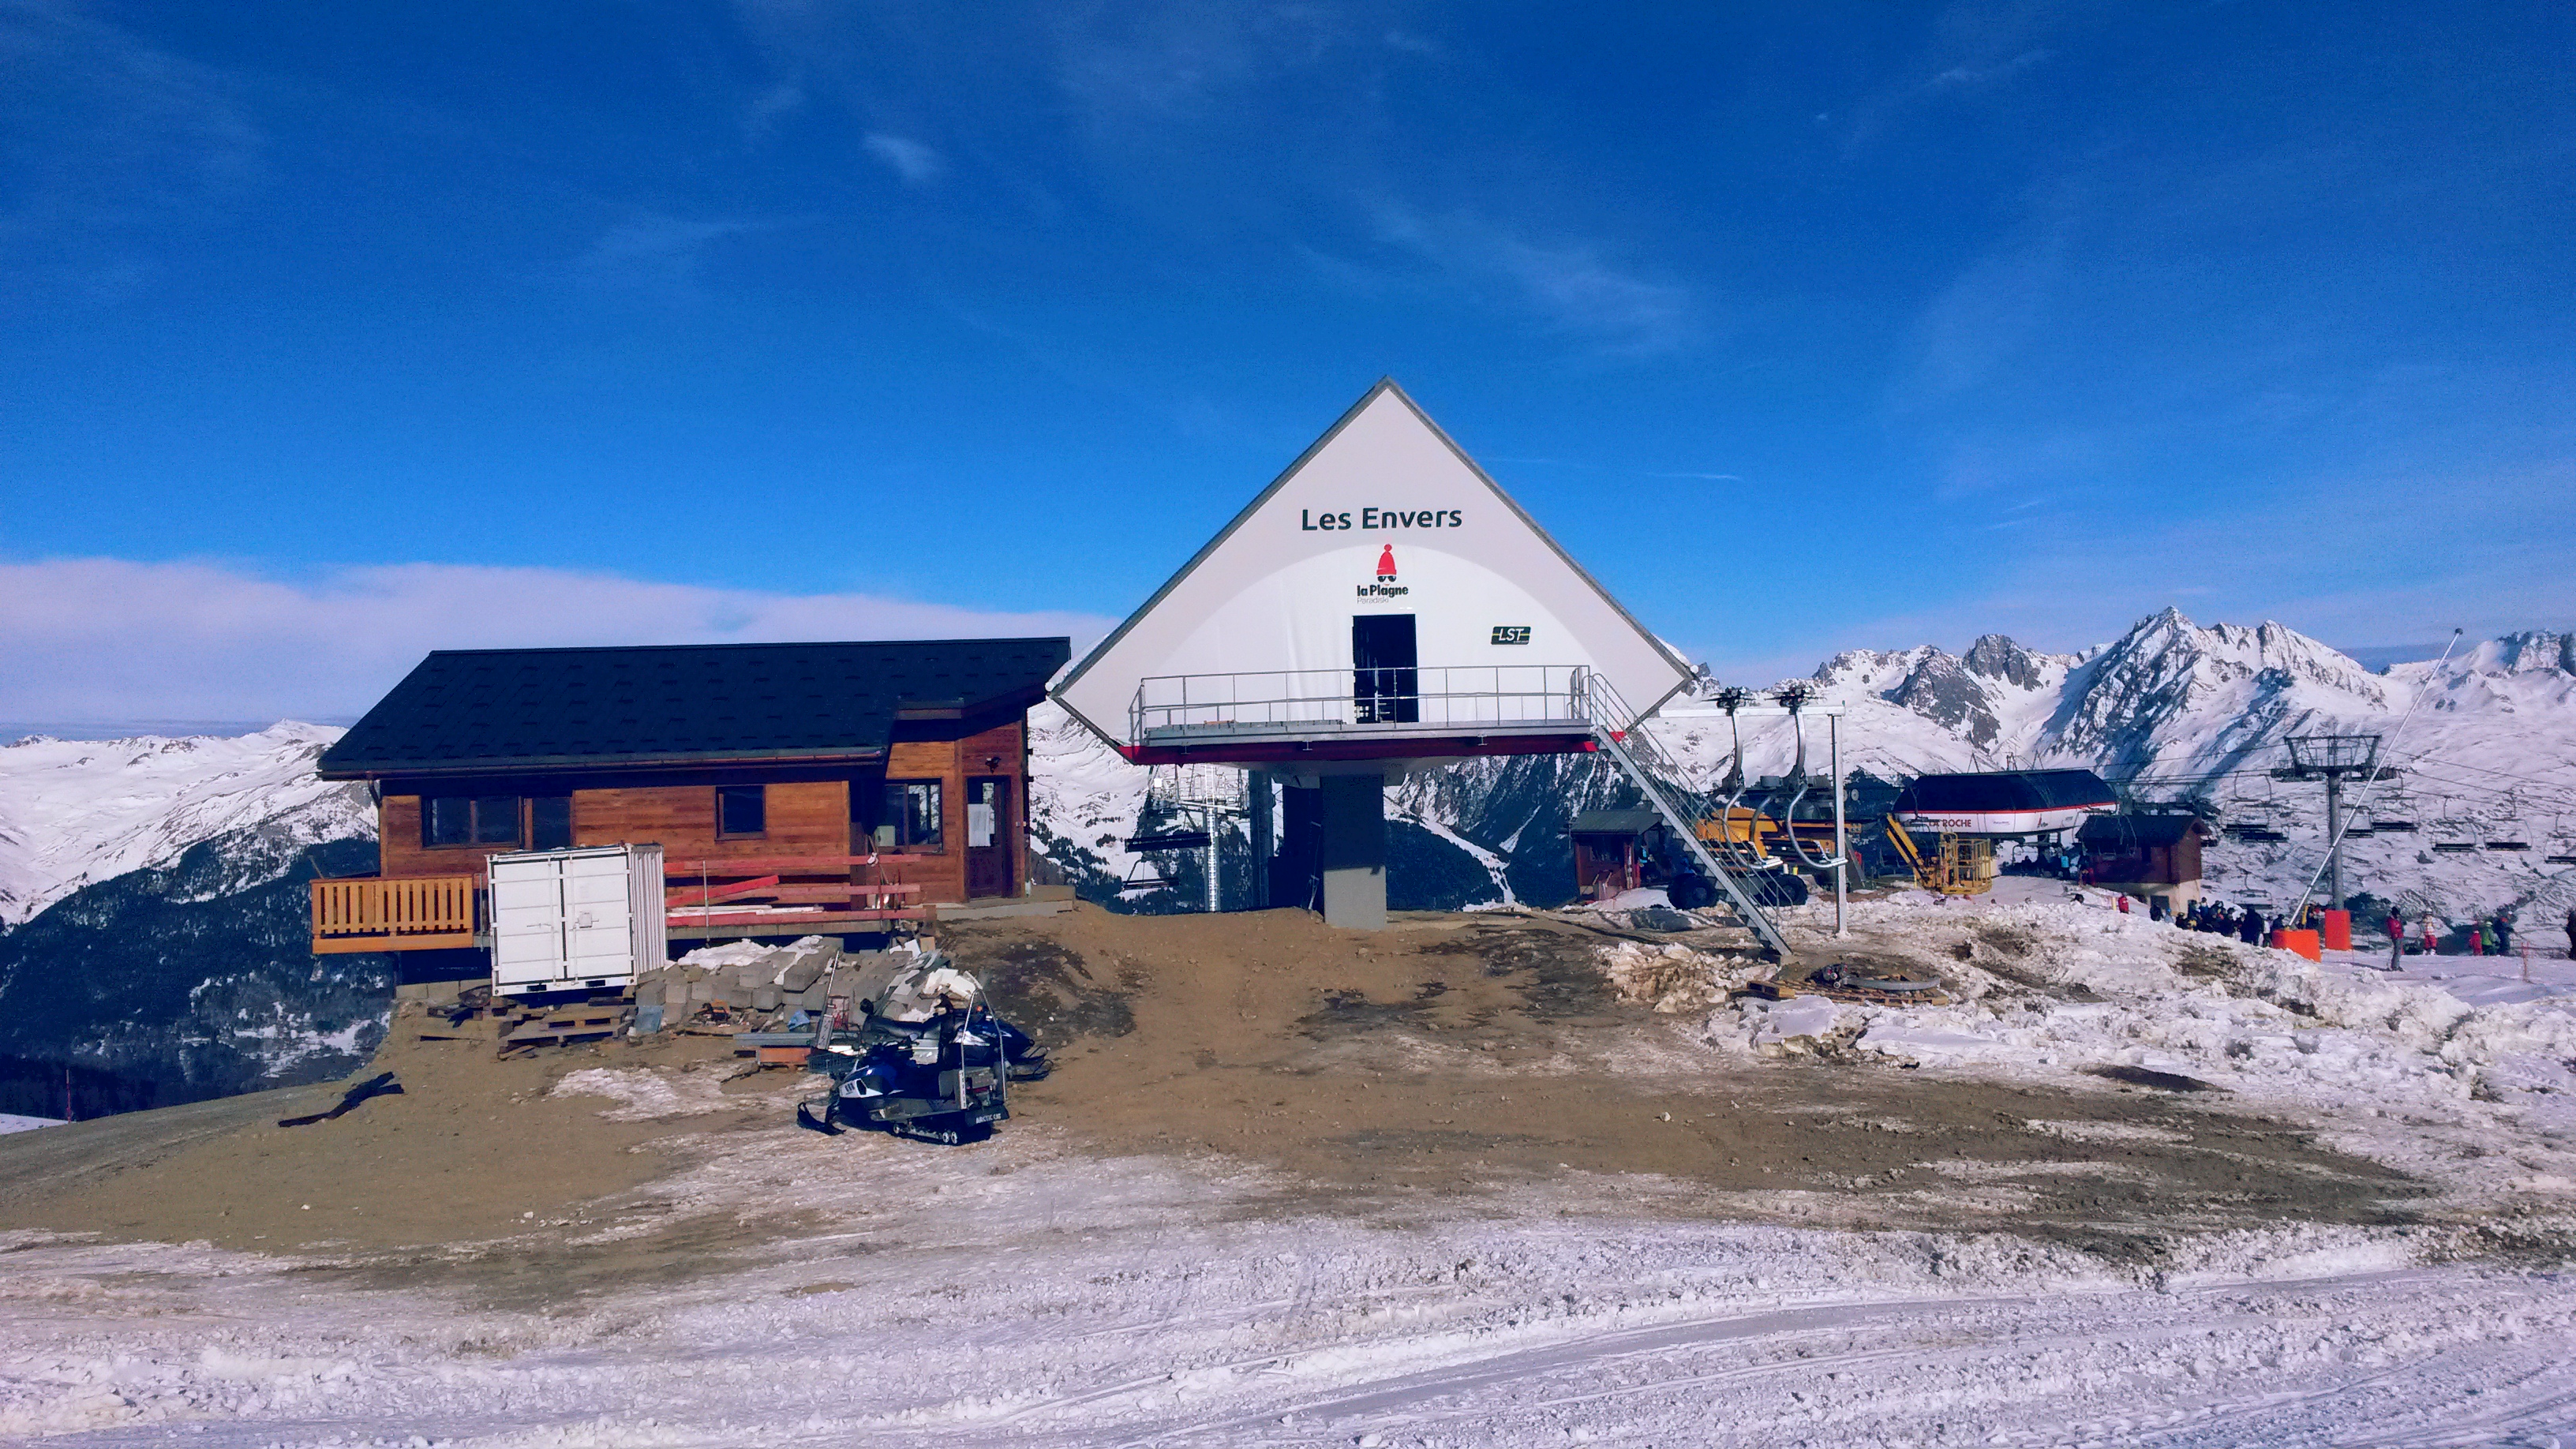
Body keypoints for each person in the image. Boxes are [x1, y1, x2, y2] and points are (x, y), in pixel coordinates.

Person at [2385, 908, 2406, 972]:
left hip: (2400, 936)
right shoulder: (2391, 920)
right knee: (2397, 951)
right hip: (2396, 937)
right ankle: (2394, 966)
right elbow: (2393, 929)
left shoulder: (2396, 920)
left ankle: (2397, 964)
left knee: (2400, 951)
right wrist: (2395, 935)